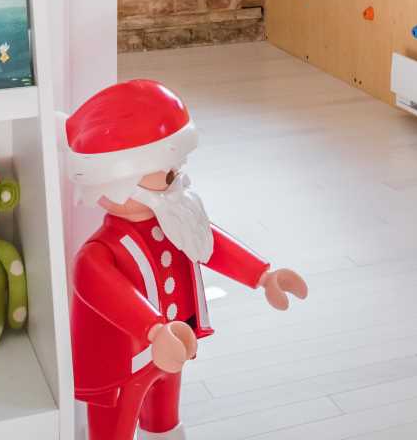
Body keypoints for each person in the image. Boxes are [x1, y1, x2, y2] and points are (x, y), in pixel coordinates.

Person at [65, 79, 308, 440]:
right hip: (122, 363)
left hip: (173, 345)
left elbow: (210, 244)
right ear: (118, 178)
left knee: (163, 421)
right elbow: (111, 294)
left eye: (177, 169)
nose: (178, 180)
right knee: (113, 431)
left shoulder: (173, 218)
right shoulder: (97, 255)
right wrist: (154, 329)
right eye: (168, 173)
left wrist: (262, 274)